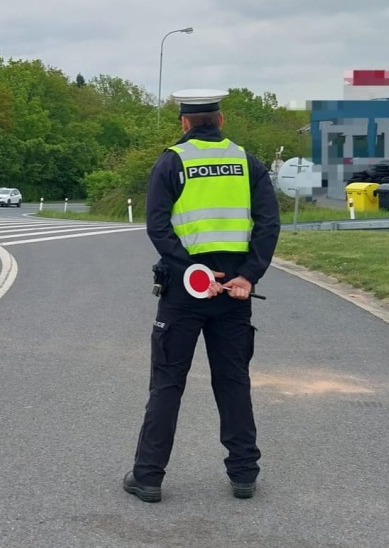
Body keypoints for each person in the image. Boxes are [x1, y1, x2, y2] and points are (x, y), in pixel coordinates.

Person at [123, 89, 281, 503]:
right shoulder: (249, 162)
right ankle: (244, 475)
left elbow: (158, 227)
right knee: (233, 382)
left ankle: (148, 477)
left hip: (184, 292)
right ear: (222, 120)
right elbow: (268, 225)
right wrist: (248, 276)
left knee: (168, 383)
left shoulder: (172, 161)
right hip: (234, 294)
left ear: (185, 122)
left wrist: (191, 269)